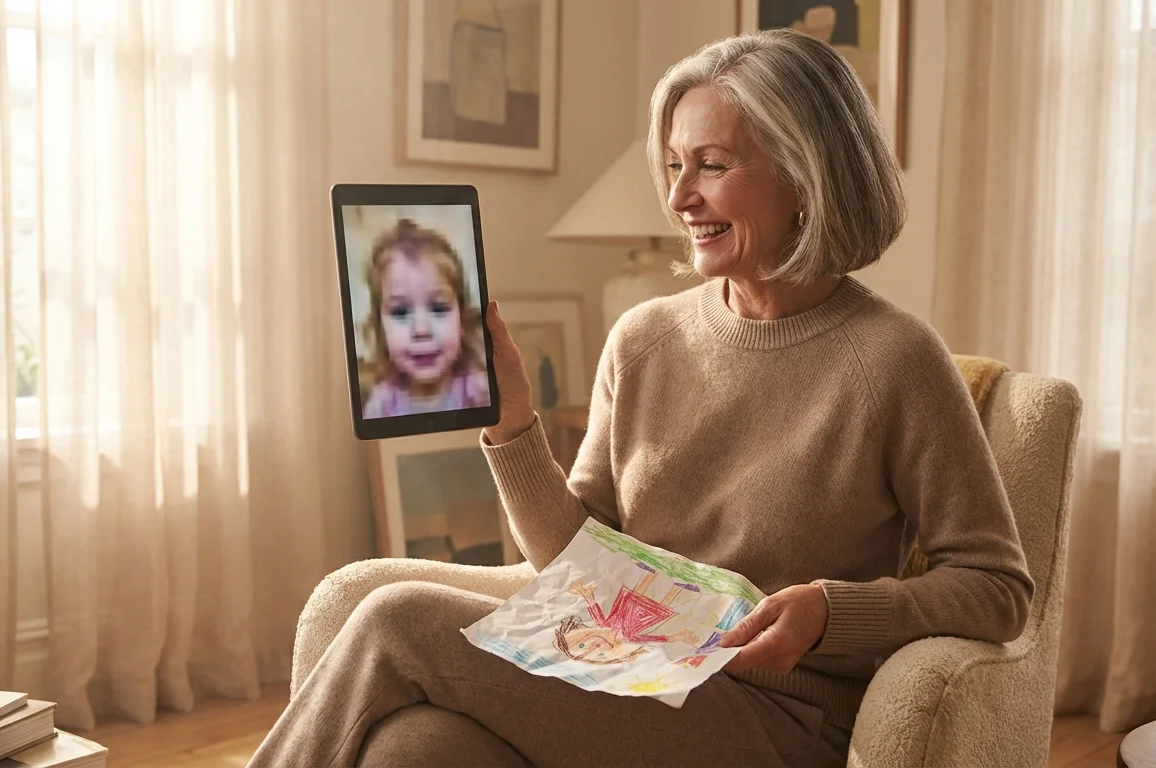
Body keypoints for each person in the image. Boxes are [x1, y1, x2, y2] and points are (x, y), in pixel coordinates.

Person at [249, 28, 1033, 768]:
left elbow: (997, 590)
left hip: (772, 718)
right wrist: (515, 426)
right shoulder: (644, 339)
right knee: (410, 750)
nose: (681, 197)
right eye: (672, 167)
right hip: (621, 671)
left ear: (805, 176)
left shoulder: (894, 359)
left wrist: (835, 611)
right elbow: (574, 565)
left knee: (395, 618)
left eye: (713, 165)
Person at [360, 217, 489, 419]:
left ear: (462, 321)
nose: (421, 330)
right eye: (400, 312)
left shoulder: (481, 394)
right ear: (380, 328)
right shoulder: (381, 407)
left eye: (438, 308)